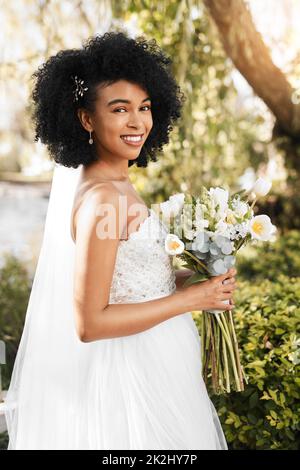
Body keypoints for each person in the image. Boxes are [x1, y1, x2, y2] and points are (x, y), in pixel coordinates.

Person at [4, 31, 237, 450]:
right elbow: (90, 323)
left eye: (145, 108)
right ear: (86, 119)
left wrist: (197, 279)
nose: (138, 122)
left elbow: (132, 280)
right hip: (129, 378)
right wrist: (190, 301)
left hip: (162, 359)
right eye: (120, 109)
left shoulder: (118, 183)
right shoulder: (104, 199)